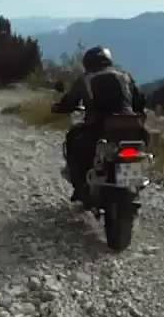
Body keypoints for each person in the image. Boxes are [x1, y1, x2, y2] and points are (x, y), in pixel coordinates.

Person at [51, 46, 147, 204]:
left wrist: (59, 107)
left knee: (73, 138)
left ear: (87, 63)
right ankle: (131, 186)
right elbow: (139, 102)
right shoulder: (125, 76)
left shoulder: (85, 79)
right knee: (133, 151)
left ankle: (80, 186)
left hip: (98, 126)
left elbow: (70, 101)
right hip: (129, 126)